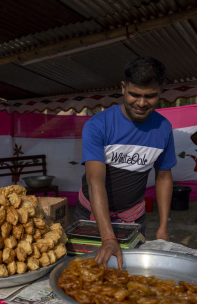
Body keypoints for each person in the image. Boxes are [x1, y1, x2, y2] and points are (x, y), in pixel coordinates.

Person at [75, 57, 177, 269]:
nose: (141, 103)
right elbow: (95, 183)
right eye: (135, 94)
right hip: (90, 217)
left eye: (150, 96)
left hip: (134, 218)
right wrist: (108, 238)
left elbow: (164, 176)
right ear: (123, 88)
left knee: (129, 273)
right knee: (90, 272)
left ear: (161, 92)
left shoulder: (164, 129)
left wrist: (163, 227)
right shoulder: (97, 125)